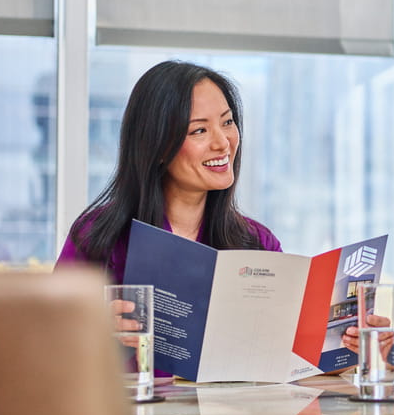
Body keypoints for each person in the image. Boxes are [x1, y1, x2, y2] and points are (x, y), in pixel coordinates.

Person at [56, 60, 281, 282]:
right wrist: (103, 319)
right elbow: (51, 318)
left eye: (227, 121)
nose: (223, 142)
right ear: (159, 145)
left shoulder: (259, 244)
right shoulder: (96, 238)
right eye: (199, 130)